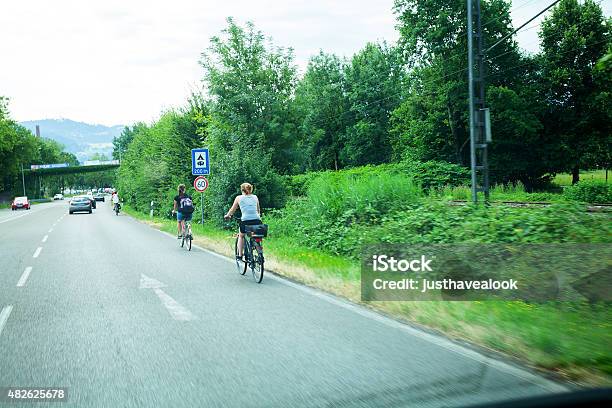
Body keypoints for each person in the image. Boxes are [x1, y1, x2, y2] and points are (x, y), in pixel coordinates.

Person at [224, 182, 262, 260]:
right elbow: (258, 210)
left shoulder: (239, 198)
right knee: (256, 237)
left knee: (241, 236)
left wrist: (227, 215)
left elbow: (232, 210)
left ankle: (240, 255)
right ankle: (260, 256)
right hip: (257, 220)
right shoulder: (255, 197)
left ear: (242, 190)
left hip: (245, 221)